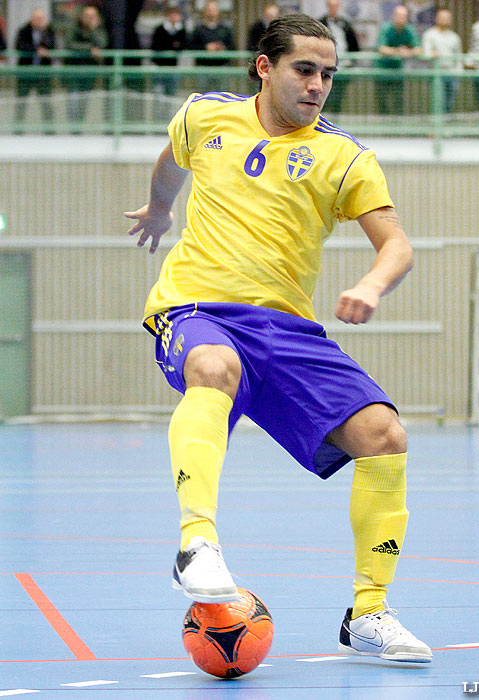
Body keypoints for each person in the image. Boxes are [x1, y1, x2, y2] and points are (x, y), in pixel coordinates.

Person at [125, 13, 432, 664]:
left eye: (329, 75)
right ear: (265, 67)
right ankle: (198, 544)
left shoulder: (344, 157)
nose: (319, 85)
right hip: (197, 308)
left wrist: (374, 285)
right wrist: (159, 207)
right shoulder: (206, 117)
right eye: (305, 70)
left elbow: (397, 246)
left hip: (287, 328)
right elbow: (169, 162)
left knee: (384, 435)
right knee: (212, 363)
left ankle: (370, 613)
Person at [63, 4, 109, 127]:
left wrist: (93, 29)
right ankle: (73, 128)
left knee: (84, 101)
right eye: (87, 16)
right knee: (73, 100)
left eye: (92, 16)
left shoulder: (98, 29)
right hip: (73, 71)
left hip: (89, 72)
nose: (89, 18)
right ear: (81, 16)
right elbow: (69, 44)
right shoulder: (73, 27)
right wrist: (89, 49)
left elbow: (102, 43)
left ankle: (79, 127)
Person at [14, 8, 56, 131]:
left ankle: (49, 130)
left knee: (46, 103)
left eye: (41, 19)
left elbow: (52, 45)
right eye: (36, 18)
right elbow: (20, 45)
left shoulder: (49, 31)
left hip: (43, 74)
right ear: (31, 19)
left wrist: (44, 33)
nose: (38, 21)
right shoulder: (23, 31)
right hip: (26, 72)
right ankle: (18, 129)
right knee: (21, 103)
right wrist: (36, 50)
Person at [375, 5, 422, 115]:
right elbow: (381, 49)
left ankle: (397, 128)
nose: (401, 19)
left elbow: (419, 49)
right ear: (394, 16)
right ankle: (384, 127)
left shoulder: (409, 30)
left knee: (398, 102)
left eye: (404, 16)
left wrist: (408, 52)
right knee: (383, 103)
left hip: (398, 71)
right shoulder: (386, 28)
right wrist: (398, 51)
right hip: (382, 71)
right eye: (399, 16)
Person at [319, 0, 359, 113]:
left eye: (335, 6)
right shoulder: (320, 23)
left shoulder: (345, 24)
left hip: (343, 68)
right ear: (328, 7)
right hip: (325, 68)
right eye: (331, 6)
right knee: (323, 99)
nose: (333, 8)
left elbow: (354, 46)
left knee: (338, 100)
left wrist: (352, 64)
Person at [189, 0, 236, 93]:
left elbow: (232, 47)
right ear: (205, 11)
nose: (211, 12)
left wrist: (222, 48)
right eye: (209, 10)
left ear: (218, 11)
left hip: (222, 69)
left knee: (222, 98)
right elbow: (191, 47)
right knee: (202, 98)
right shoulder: (198, 30)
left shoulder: (225, 30)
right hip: (203, 69)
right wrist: (206, 48)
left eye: (214, 10)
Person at [151, 4, 188, 122]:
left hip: (173, 68)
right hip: (159, 68)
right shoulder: (159, 29)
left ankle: (170, 124)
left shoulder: (181, 30)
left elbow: (182, 46)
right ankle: (157, 122)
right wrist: (172, 45)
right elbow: (157, 46)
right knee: (159, 97)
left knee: (171, 98)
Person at [422, 8, 462, 113]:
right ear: (436, 18)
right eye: (442, 17)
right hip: (436, 74)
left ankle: (447, 127)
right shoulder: (429, 34)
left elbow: (458, 58)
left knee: (449, 103)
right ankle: (436, 127)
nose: (445, 20)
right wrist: (432, 54)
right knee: (436, 102)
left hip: (451, 74)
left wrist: (458, 74)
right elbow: (426, 53)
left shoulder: (455, 37)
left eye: (447, 18)